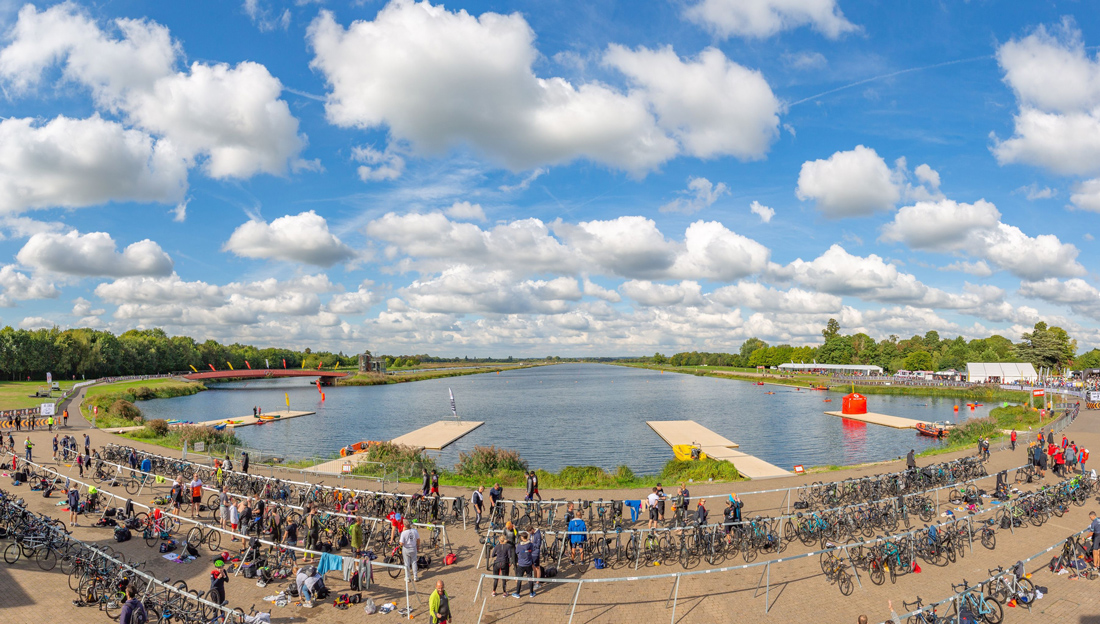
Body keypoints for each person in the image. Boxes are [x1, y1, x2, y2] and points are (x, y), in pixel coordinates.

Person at [513, 532, 535, 598]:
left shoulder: (519, 545)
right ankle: (531, 592)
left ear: (522, 538)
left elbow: (516, 552)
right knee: (530, 578)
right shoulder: (530, 544)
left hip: (521, 565)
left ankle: (517, 593)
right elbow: (533, 550)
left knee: (519, 578)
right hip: (529, 564)